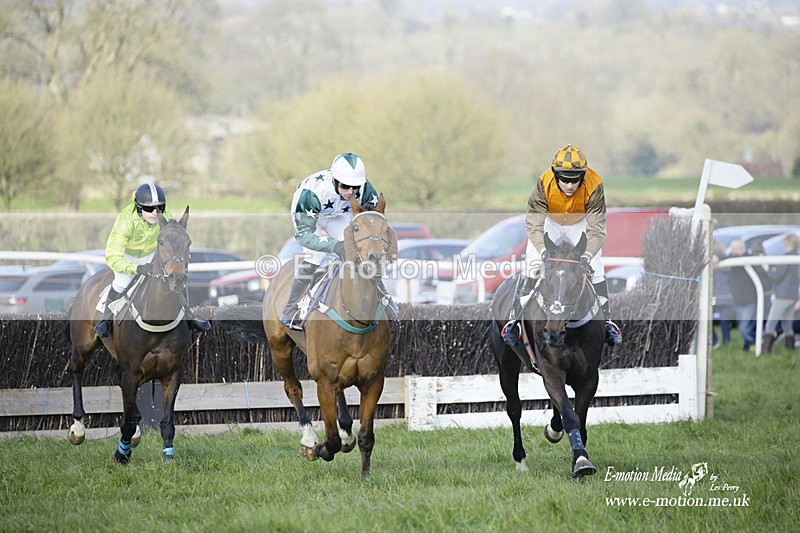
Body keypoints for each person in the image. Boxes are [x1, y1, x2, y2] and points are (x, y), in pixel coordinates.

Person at [501, 144, 622, 348]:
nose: (569, 185)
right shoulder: (544, 183)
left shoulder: (594, 184)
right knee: (532, 264)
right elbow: (533, 224)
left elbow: (597, 230)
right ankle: (514, 322)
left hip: (579, 223)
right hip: (550, 223)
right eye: (564, 179)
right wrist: (543, 251)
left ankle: (607, 321)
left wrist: (586, 256)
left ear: (582, 177)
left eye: (575, 180)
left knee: (598, 265)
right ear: (555, 174)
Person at [279, 152, 397, 330]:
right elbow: (304, 236)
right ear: (334, 180)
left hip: (338, 216)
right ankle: (290, 310)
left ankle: (384, 296)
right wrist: (335, 245)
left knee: (359, 251)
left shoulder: (366, 189)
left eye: (355, 187)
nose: (351, 192)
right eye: (345, 186)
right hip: (312, 219)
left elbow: (372, 222)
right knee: (316, 258)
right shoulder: (310, 194)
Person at [94, 183, 211, 338]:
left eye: (160, 207)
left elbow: (176, 241)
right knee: (122, 282)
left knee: (175, 277)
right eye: (149, 209)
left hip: (151, 253)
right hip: (126, 256)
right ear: (138, 207)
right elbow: (112, 257)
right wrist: (136, 268)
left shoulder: (166, 218)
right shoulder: (126, 221)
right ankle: (105, 320)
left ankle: (188, 317)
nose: (155, 213)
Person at [722, 239, 764, 352]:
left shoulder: (748, 257)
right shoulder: (731, 259)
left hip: (749, 300)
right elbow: (724, 257)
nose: (734, 251)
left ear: (742, 248)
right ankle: (748, 347)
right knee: (745, 326)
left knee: (743, 329)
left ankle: (756, 343)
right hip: (737, 300)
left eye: (736, 248)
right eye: (733, 249)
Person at [762, 233, 799, 353]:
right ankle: (790, 350)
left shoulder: (787, 257)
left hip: (783, 295)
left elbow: (777, 276)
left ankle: (765, 352)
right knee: (787, 324)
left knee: (770, 324)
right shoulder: (796, 257)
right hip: (792, 295)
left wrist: (767, 269)